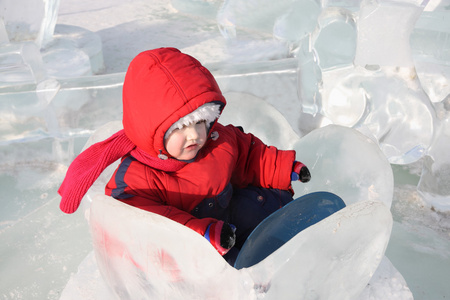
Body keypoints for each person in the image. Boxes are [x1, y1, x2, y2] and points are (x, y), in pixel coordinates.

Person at [58, 47, 311, 264]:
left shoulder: (217, 141)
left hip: (228, 218)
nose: (194, 135)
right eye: (180, 127)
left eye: (200, 121)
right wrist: (201, 235)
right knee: (220, 268)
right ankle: (250, 278)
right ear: (152, 130)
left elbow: (249, 156)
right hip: (192, 253)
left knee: (260, 202)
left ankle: (295, 233)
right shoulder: (135, 181)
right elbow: (154, 226)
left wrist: (282, 167)